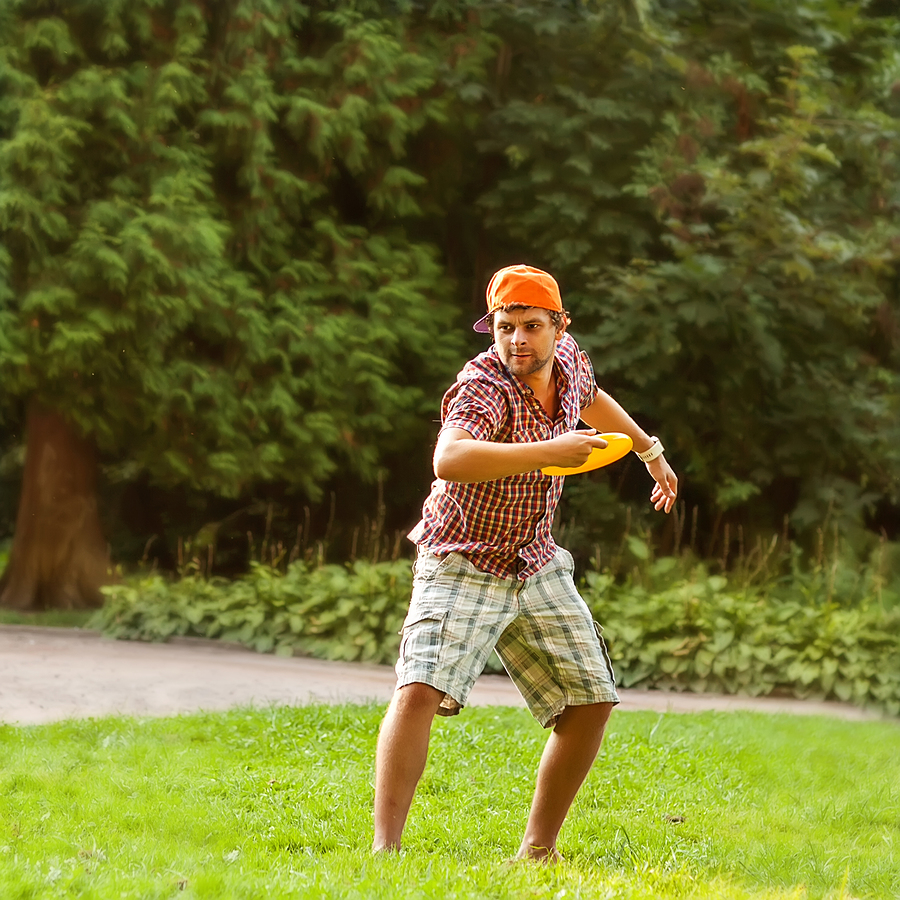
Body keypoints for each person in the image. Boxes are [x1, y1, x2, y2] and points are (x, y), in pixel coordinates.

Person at [372, 264, 678, 860]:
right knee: (419, 688)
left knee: (592, 697)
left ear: (559, 327)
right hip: (461, 556)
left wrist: (649, 451)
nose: (518, 340)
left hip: (535, 559)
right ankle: (386, 853)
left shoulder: (571, 364)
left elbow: (592, 399)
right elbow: (450, 459)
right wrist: (549, 451)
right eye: (505, 326)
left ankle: (538, 850)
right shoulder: (482, 385)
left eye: (532, 326)